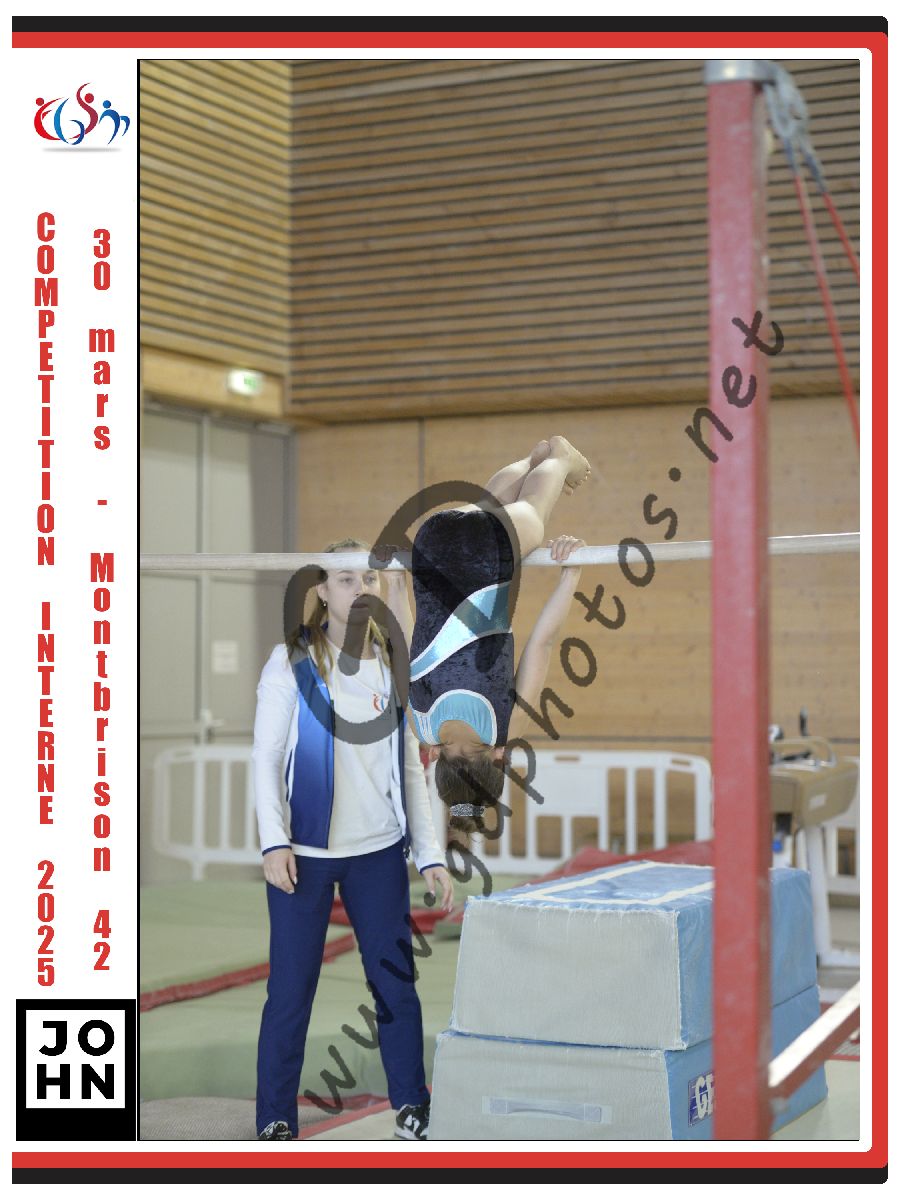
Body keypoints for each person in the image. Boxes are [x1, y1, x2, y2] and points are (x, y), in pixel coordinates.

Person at [253, 539, 454, 1142]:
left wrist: (431, 853)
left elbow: (412, 767)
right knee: (290, 991)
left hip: (378, 854)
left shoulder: (391, 663)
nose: (360, 588)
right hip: (305, 857)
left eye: (368, 578)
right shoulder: (291, 661)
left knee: (395, 986)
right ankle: (275, 1117)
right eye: (346, 579)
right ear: (322, 591)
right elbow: (266, 757)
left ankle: (411, 1105)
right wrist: (273, 841)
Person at [391, 435, 591, 831]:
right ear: (434, 758)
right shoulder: (421, 726)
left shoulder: (503, 728)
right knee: (487, 504)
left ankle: (560, 458)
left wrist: (570, 576)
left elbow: (541, 645)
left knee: (533, 506)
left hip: (488, 551)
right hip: (431, 544)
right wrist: (396, 583)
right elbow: (402, 644)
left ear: (499, 758)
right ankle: (529, 461)